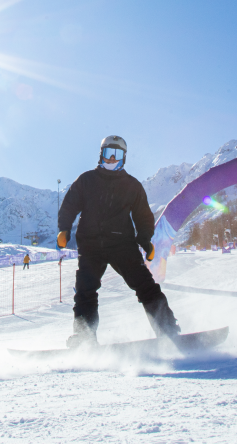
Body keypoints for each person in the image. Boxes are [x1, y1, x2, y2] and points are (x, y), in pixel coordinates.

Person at [57, 135, 181, 348]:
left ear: (124, 158)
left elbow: (143, 217)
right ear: (101, 155)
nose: (112, 159)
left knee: (146, 286)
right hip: (91, 246)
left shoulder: (132, 185)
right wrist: (64, 229)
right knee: (85, 291)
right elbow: (69, 205)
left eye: (117, 155)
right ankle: (84, 337)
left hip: (123, 246)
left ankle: (168, 329)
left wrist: (145, 241)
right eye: (108, 153)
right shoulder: (86, 181)